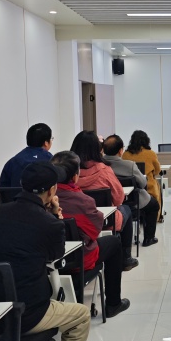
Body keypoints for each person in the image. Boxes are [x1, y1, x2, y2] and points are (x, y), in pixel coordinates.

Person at [0, 161, 91, 341]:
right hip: (27, 313)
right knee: (81, 316)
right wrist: (55, 216)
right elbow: (56, 256)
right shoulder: (50, 223)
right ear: (52, 190)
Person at [51, 151, 131, 317]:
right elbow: (95, 231)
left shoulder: (45, 198)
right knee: (114, 242)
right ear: (75, 177)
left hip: (49, 261)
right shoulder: (83, 201)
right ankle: (113, 304)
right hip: (79, 260)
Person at [71, 131, 138, 271]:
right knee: (126, 210)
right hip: (105, 221)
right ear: (98, 149)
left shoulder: (70, 171)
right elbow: (118, 198)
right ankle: (125, 258)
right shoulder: (104, 170)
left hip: (76, 223)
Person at [103, 134, 160, 247]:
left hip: (108, 202)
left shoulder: (101, 165)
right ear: (120, 151)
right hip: (132, 201)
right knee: (154, 205)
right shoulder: (129, 165)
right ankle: (149, 238)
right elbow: (143, 183)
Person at [122, 130, 164, 222]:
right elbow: (157, 170)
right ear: (146, 140)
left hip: (130, 189)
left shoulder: (125, 154)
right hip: (149, 187)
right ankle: (157, 216)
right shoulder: (151, 153)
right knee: (157, 185)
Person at [0, 123, 54, 187]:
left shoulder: (12, 162)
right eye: (51, 138)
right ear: (46, 143)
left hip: (16, 194)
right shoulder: (51, 160)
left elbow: (2, 190)